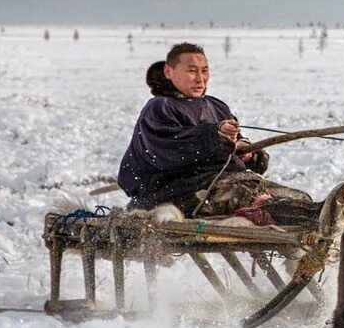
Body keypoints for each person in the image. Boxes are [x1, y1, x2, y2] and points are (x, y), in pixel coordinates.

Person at [118, 42, 326, 224]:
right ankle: (312, 217)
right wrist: (215, 135)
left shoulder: (216, 106)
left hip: (223, 181)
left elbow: (236, 142)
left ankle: (316, 213)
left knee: (292, 196)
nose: (200, 79)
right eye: (191, 71)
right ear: (168, 72)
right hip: (175, 189)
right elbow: (168, 150)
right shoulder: (159, 107)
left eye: (204, 71)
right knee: (247, 196)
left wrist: (248, 153)